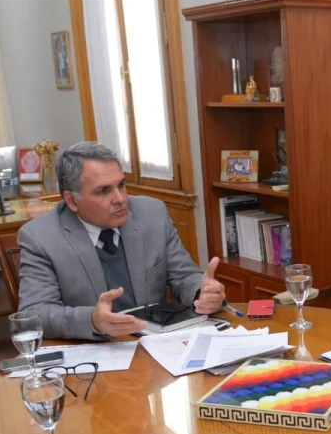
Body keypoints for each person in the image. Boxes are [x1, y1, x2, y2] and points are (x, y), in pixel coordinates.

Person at [17, 141, 226, 340]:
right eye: (103, 190)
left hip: (158, 345)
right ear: (72, 200)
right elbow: (34, 313)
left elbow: (184, 275)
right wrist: (92, 320)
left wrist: (201, 292)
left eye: (121, 185)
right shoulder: (40, 237)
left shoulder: (152, 214)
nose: (120, 199)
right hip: (94, 353)